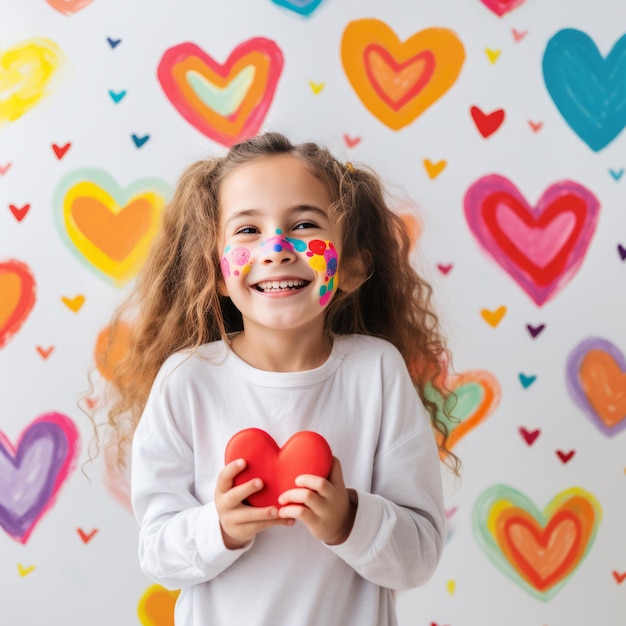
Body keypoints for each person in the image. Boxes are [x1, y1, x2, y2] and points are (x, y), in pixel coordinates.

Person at [98, 132, 459, 625]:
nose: (277, 248)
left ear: (352, 265)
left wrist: (348, 519)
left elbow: (418, 556)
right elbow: (158, 553)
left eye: (305, 224)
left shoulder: (376, 372)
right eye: (248, 230)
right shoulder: (188, 380)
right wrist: (219, 526)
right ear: (218, 273)